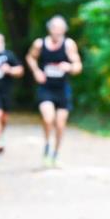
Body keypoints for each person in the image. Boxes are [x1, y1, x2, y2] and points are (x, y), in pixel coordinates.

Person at [26, 15, 82, 167]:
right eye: (55, 28)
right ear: (49, 29)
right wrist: (36, 71)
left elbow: (78, 66)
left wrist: (69, 67)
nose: (57, 31)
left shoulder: (69, 45)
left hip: (62, 89)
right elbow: (30, 57)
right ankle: (46, 145)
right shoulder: (39, 44)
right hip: (46, 88)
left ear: (64, 30)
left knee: (60, 124)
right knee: (48, 118)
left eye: (60, 29)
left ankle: (55, 155)